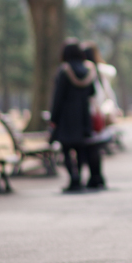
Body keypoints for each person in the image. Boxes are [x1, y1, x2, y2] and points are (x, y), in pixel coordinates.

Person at [49, 39, 100, 192]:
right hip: (83, 116)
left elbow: (58, 98)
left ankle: (74, 179)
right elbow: (93, 92)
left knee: (66, 149)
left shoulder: (64, 71)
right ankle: (82, 178)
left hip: (67, 117)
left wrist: (54, 118)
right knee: (81, 149)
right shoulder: (88, 70)